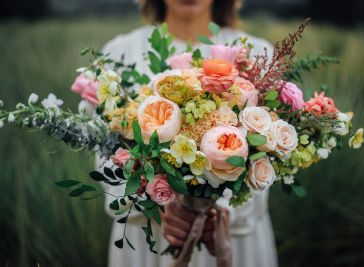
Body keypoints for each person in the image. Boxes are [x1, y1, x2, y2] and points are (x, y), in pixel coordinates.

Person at [99, 0, 278, 266]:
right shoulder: (118, 53)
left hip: (233, 238)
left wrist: (215, 212)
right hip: (149, 240)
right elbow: (105, 159)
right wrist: (162, 204)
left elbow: (270, 159)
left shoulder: (257, 53)